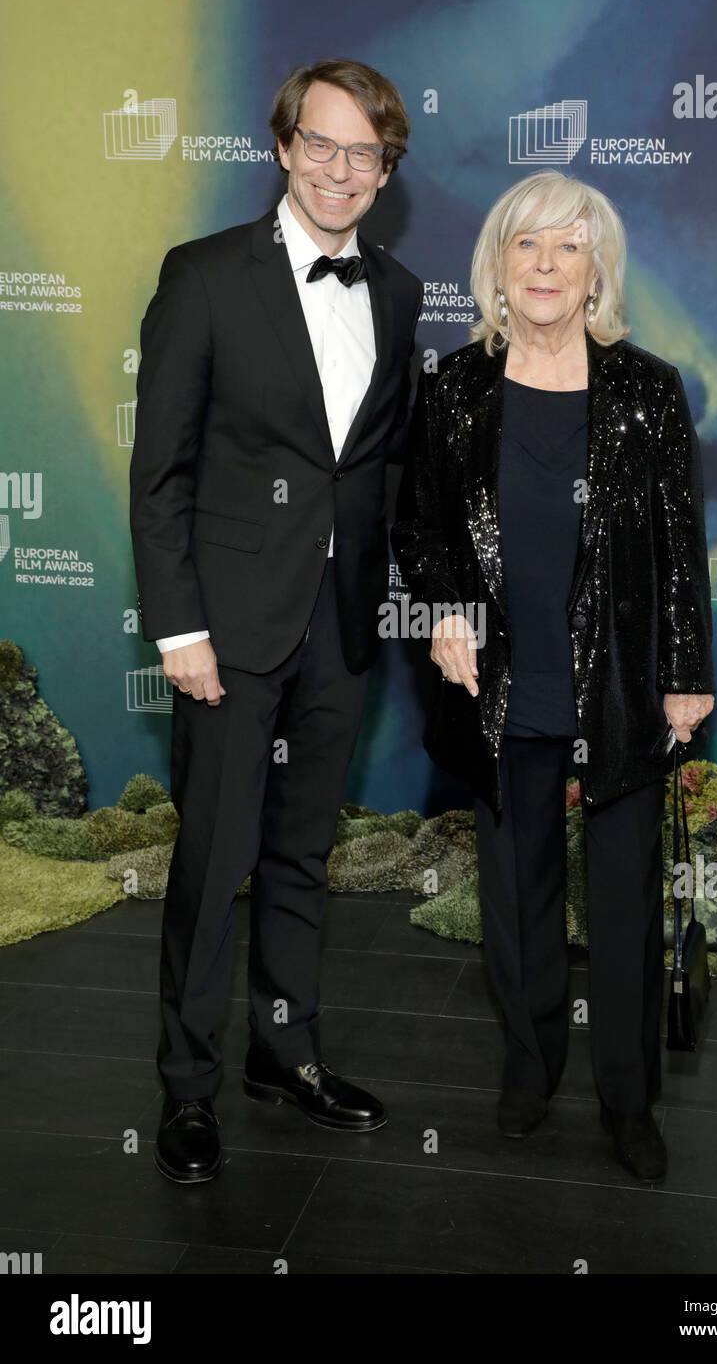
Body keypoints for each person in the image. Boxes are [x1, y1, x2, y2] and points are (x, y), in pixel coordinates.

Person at [130, 58, 423, 1183]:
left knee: (303, 855)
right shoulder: (203, 276)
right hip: (228, 634)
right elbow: (161, 473)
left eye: (366, 153)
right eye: (323, 143)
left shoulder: (396, 295)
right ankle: (188, 1087)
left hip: (342, 628)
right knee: (213, 862)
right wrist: (178, 628)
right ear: (283, 146)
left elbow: (384, 469)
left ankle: (283, 1053)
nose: (342, 169)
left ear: (385, 170)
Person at [391, 169, 715, 1184]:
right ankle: (528, 1071)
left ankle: (629, 1099)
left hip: (619, 685)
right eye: (526, 245)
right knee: (516, 897)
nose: (544, 265)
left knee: (623, 901)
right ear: (497, 264)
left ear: (594, 271)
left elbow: (678, 548)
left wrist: (685, 672)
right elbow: (421, 528)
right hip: (502, 686)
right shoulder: (453, 387)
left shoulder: (646, 390)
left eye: (567, 247)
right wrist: (444, 604)